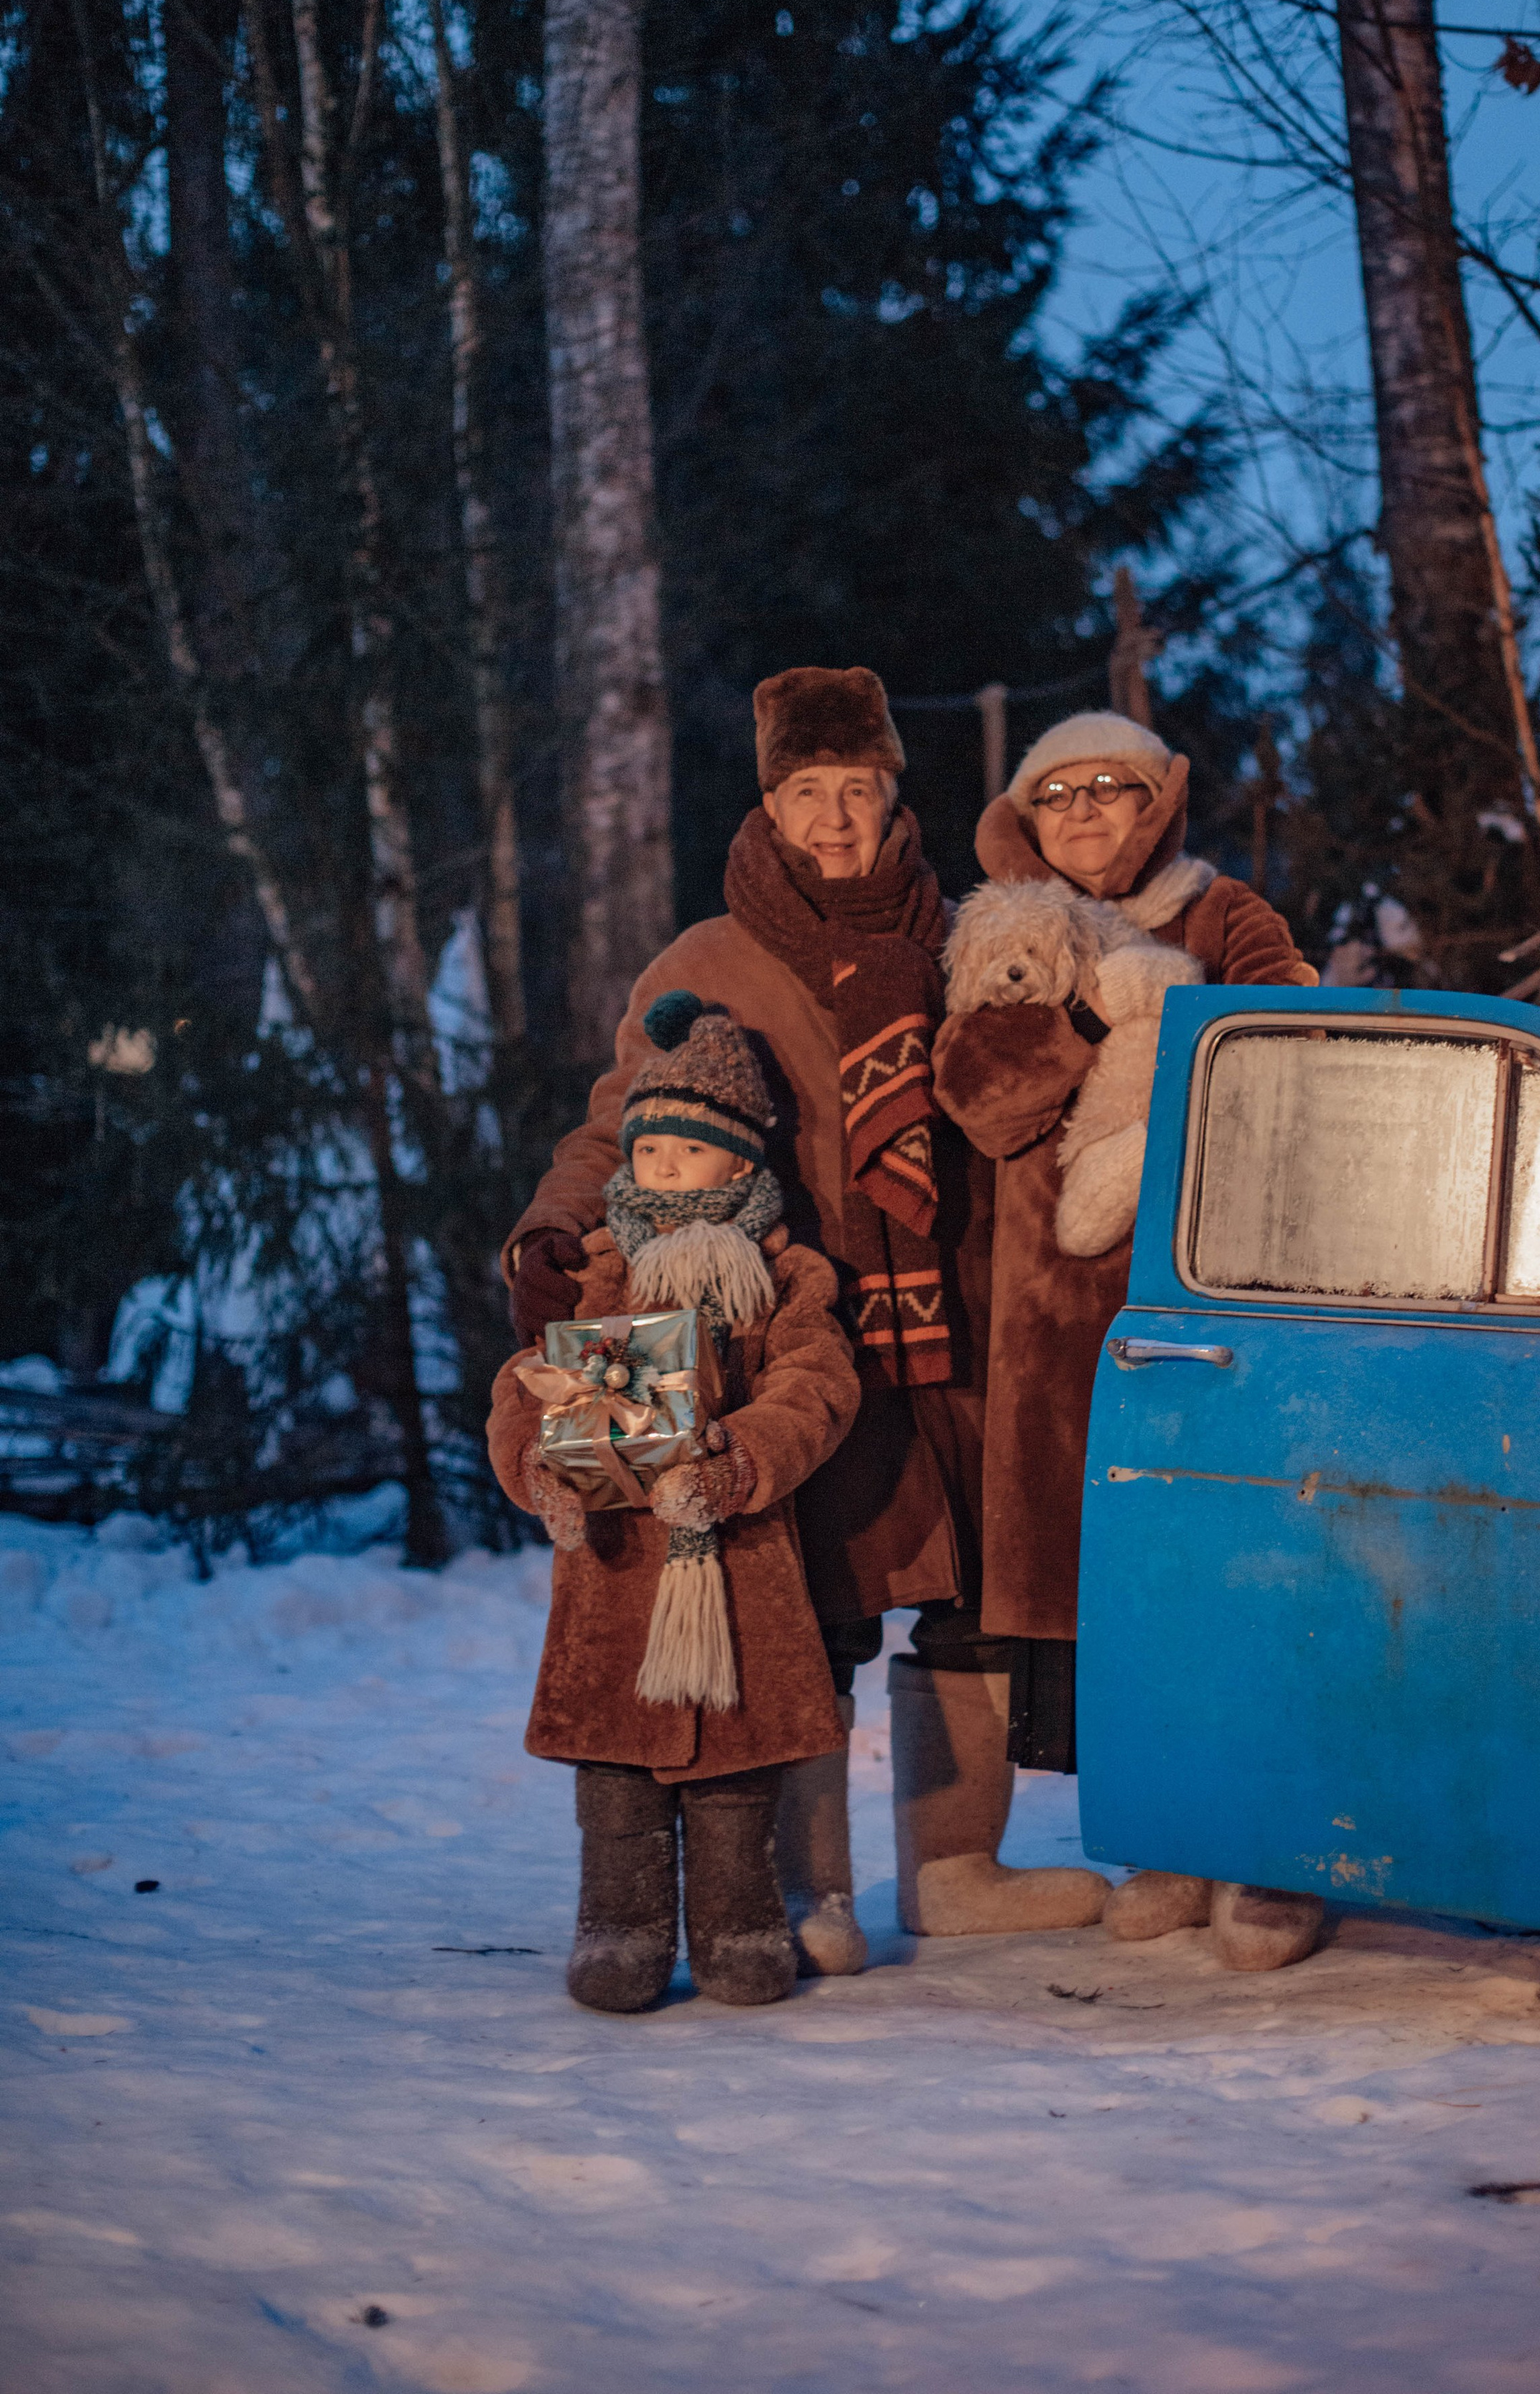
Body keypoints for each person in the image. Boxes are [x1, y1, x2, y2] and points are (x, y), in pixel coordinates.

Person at [503, 666, 1105, 1965]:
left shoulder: (967, 931)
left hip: (963, 1320)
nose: (836, 819)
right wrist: (556, 1231)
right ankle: (807, 1889)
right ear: (769, 804)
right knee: (806, 1604)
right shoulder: (705, 963)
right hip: (778, 1328)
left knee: (970, 1602)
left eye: (859, 790)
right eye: (807, 792)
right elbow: (621, 1125)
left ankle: (956, 1870)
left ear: (895, 793)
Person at [933, 709, 1327, 1973]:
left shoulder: (1226, 913)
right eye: (1059, 794)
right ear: (1027, 816)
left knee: (1238, 1576)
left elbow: (1297, 1043)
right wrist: (1098, 1020)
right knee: (1124, 1601)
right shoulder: (1004, 927)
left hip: (1215, 1307)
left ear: (1157, 800)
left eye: (1112, 787)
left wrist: (1179, 1009)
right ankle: (1167, 1838)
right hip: (1054, 1336)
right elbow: (982, 1100)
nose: (1088, 811)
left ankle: (1268, 1851)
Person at [487, 997, 859, 2012]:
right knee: (615, 1772)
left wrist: (739, 1462)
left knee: (738, 1769)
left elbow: (816, 1391)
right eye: (648, 1152)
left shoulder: (785, 1278)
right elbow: (525, 1383)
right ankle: (619, 1925)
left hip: (737, 1564)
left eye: (686, 1155)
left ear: (739, 1168)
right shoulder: (603, 1269)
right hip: (614, 1573)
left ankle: (741, 1925)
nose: (660, 1170)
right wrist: (541, 1472)